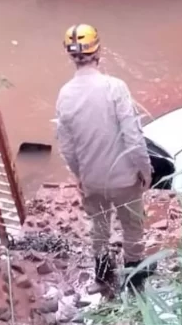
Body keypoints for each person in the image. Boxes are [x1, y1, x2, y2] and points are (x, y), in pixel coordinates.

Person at [54, 23, 153, 291]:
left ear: (70, 55)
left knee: (98, 226)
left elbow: (68, 147)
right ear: (98, 50)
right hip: (123, 179)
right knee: (132, 226)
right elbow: (133, 135)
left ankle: (102, 272)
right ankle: (135, 278)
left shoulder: (64, 95)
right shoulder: (115, 87)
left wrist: (79, 176)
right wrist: (144, 169)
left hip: (92, 180)